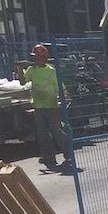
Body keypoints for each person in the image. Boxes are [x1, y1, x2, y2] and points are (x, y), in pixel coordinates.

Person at [22, 44, 70, 172]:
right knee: (43, 135)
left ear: (43, 58)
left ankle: (68, 154)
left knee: (57, 132)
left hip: (51, 105)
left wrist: (64, 97)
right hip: (38, 106)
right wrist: (20, 69)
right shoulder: (32, 70)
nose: (35, 60)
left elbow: (60, 87)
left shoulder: (51, 71)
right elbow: (23, 82)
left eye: (36, 58)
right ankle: (49, 158)